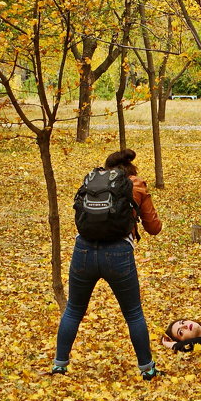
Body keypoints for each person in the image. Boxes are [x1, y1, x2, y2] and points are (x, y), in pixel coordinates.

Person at [52, 149, 162, 379]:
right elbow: (154, 228)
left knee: (73, 309)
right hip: (119, 253)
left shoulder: (95, 183)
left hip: (83, 249)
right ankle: (147, 369)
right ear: (131, 169)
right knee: (133, 313)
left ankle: (59, 365)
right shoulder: (137, 185)